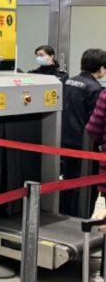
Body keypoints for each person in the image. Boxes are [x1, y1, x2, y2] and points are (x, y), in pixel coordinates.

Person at [61, 48, 106, 217]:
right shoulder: (95, 89)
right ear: (101, 68)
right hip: (85, 145)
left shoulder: (69, 81)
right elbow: (96, 123)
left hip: (65, 141)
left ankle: (64, 215)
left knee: (68, 181)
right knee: (85, 186)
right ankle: (80, 218)